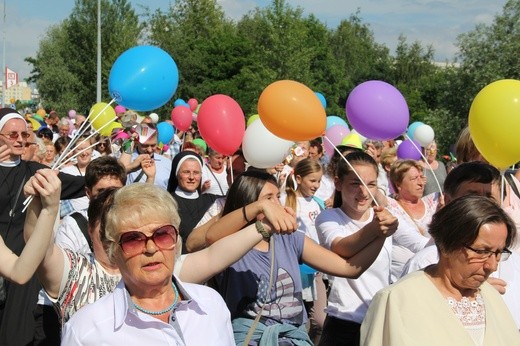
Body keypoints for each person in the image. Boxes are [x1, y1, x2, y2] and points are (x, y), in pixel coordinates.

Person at [206, 169, 394, 345]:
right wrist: (259, 207)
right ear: (249, 202)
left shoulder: (291, 239)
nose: (276, 205)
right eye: (268, 199)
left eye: (277, 197)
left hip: (293, 338)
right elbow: (211, 236)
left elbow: (348, 269)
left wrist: (380, 233)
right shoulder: (231, 242)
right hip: (250, 338)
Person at [361, 195, 519, 345]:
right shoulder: (396, 300)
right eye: (481, 251)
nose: (492, 266)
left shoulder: (492, 297)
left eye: (498, 253)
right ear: (447, 245)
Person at [0, 108, 85, 345]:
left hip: (22, 258)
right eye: (12, 134)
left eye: (24, 135)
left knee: (17, 329)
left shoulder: (33, 172)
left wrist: (120, 171)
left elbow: (80, 184)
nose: (20, 139)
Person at [401, 161, 520, 329]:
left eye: (489, 197)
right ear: (449, 201)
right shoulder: (425, 262)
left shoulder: (514, 261)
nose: (492, 265)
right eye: (472, 196)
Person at [315, 151, 399, 346]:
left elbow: (421, 242)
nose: (363, 192)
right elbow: (341, 248)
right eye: (355, 183)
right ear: (338, 183)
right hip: (344, 324)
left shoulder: (387, 216)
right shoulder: (329, 217)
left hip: (380, 321)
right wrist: (376, 230)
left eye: (371, 184)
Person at [281, 158, 327, 343]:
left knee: (320, 321)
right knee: (294, 319)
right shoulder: (285, 200)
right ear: (299, 179)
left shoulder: (318, 203)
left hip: (315, 268)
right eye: (312, 180)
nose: (316, 185)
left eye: (319, 181)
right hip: (293, 268)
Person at [384, 160, 439, 279]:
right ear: (398, 184)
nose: (421, 183)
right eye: (414, 179)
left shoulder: (434, 201)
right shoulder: (390, 206)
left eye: (421, 177)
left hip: (433, 274)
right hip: (401, 278)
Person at [167, 151, 219, 253]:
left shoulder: (212, 201)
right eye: (186, 172)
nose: (191, 177)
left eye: (196, 173)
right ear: (177, 174)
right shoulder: (166, 202)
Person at [122, 124, 171, 189]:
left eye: (153, 145)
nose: (149, 150)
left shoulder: (167, 163)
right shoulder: (127, 159)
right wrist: (131, 167)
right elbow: (117, 173)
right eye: (145, 146)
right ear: (137, 142)